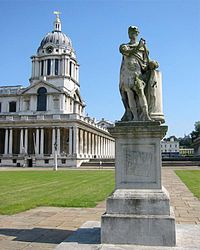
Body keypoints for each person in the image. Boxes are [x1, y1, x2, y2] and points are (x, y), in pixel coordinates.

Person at [119, 26, 158, 121]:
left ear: (137, 34)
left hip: (138, 74)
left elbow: (145, 63)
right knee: (129, 95)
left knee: (141, 92)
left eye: (135, 32)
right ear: (128, 34)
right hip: (126, 75)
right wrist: (139, 46)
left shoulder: (143, 49)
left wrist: (152, 64)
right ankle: (135, 117)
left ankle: (146, 115)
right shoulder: (124, 46)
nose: (133, 34)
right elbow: (127, 53)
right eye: (131, 32)